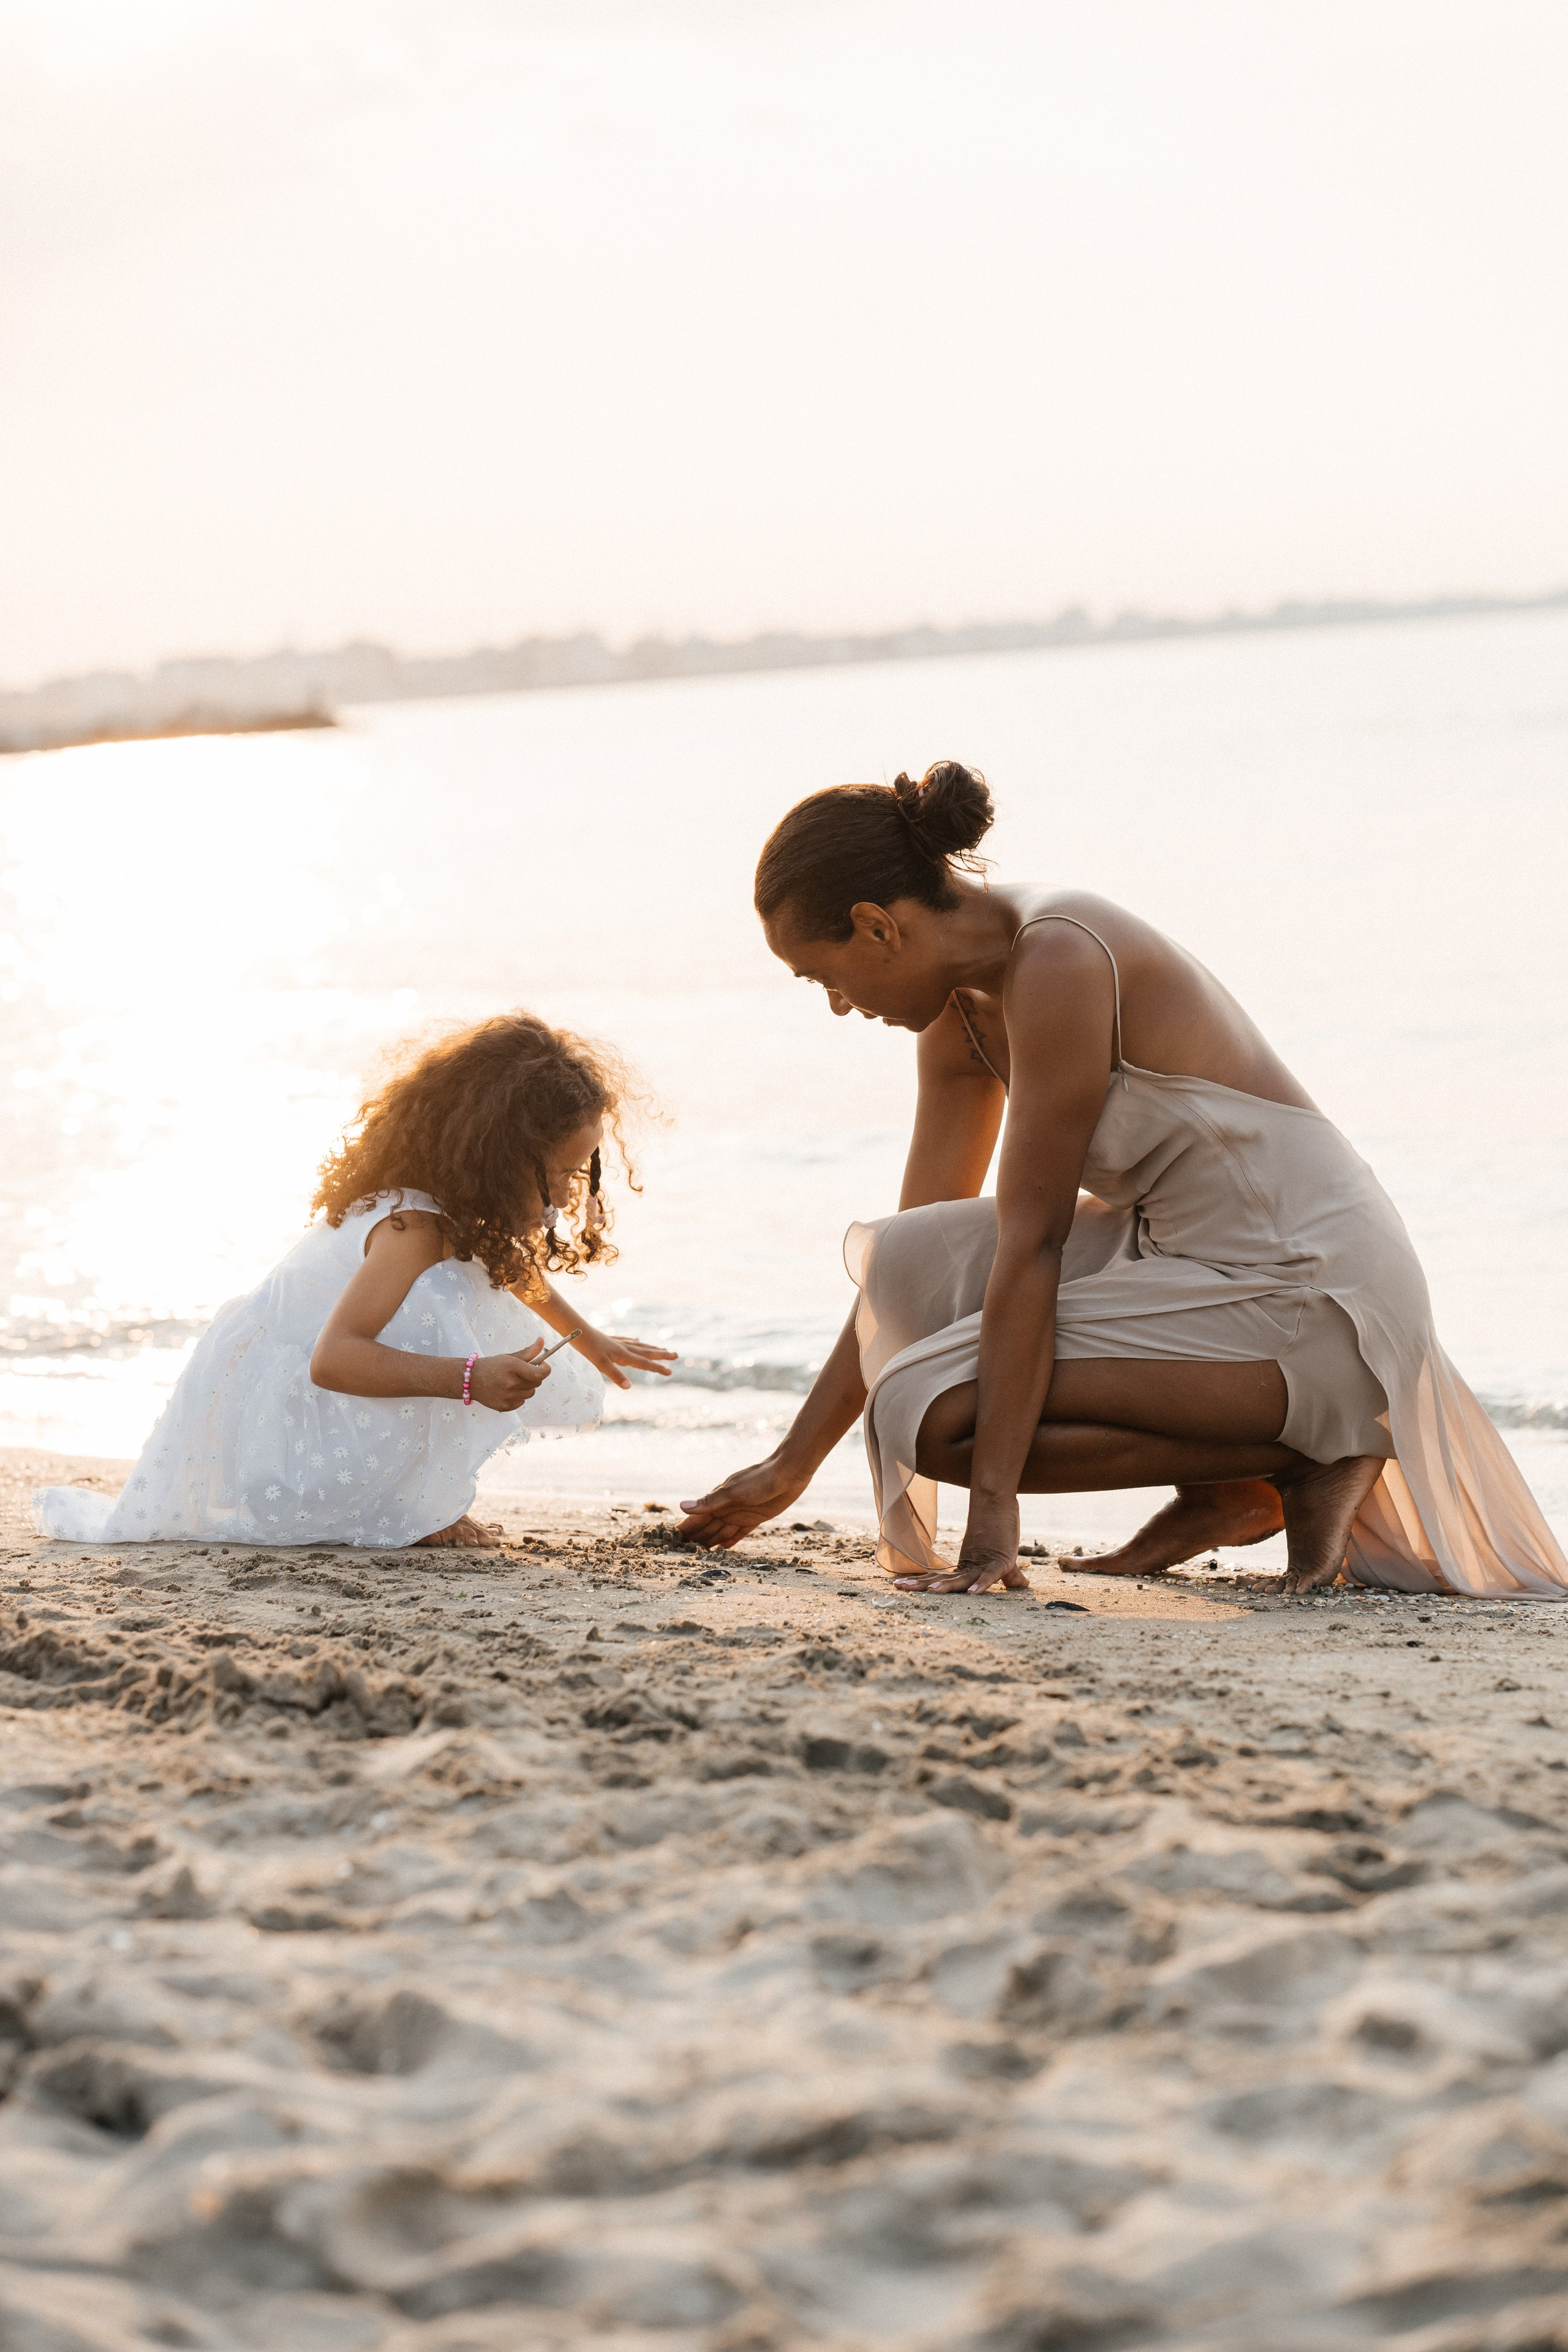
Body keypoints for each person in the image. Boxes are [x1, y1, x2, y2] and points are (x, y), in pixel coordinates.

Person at [677, 763, 1568, 1602]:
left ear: (877, 925)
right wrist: (790, 1465)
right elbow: (906, 1278)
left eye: (822, 975)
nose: (836, 1003)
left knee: (926, 1415)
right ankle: (1235, 1482)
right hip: (1185, 1263)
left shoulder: (1059, 956)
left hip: (1311, 1287)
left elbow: (1035, 1241)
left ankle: (1307, 1453)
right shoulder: (959, 1019)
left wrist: (993, 1519)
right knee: (906, 1261)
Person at [34, 1013, 674, 1550]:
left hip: (314, 1394)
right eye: (557, 1174)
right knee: (445, 1310)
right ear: (496, 1156)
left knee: (478, 1286)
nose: (566, 1194)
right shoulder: (411, 1227)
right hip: (282, 1423)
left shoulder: (458, 1207)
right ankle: (408, 1511)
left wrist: (588, 1337)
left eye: (575, 1174)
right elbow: (333, 1361)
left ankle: (416, 1504)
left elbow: (514, 1269)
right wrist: (471, 1379)